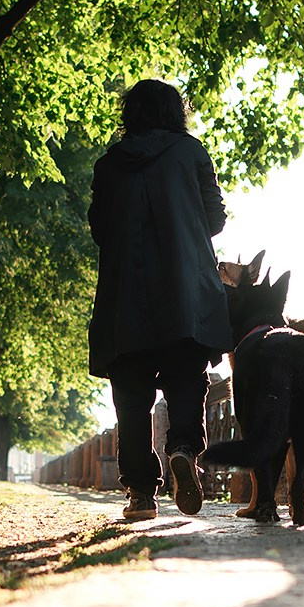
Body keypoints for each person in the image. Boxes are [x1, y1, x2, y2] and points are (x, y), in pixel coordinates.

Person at [87, 79, 233, 520]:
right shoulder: (191, 152)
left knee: (131, 396)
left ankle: (141, 494)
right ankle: (184, 450)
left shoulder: (109, 164)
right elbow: (215, 217)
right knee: (186, 380)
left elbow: (99, 227)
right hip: (185, 291)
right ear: (175, 112)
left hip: (125, 295)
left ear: (128, 114)